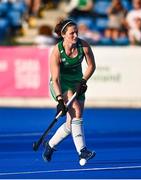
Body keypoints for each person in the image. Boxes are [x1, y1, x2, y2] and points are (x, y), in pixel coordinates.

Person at [42, 19, 96, 165]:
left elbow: (91, 66)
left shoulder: (83, 46)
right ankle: (82, 150)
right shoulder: (56, 52)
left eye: (77, 32)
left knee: (71, 122)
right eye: (72, 33)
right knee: (76, 112)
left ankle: (50, 145)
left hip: (78, 83)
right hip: (61, 85)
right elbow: (55, 79)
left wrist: (83, 81)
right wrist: (60, 100)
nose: (75, 35)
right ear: (63, 35)